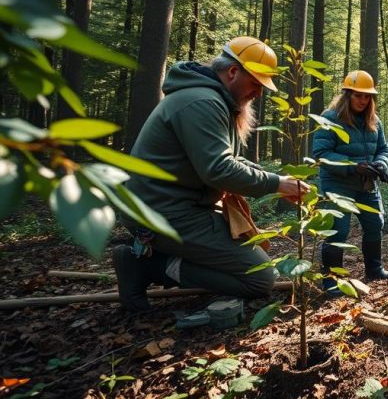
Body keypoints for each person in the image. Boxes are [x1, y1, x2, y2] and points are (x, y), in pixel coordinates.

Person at [113, 36, 309, 312]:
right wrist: (277, 184)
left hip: (177, 208)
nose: (259, 93)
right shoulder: (202, 102)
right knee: (260, 279)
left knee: (254, 262)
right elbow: (218, 169)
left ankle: (159, 257)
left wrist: (273, 178)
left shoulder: (211, 99)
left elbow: (224, 158)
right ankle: (149, 265)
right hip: (161, 213)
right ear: (233, 72)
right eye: (256, 83)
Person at [311, 70, 388, 291]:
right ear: (347, 94)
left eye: (367, 96)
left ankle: (374, 269)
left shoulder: (374, 121)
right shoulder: (330, 119)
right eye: (358, 95)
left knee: (375, 224)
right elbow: (321, 154)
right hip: (338, 184)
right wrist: (353, 166)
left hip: (367, 184)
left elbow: (383, 150)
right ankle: (331, 282)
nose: (363, 100)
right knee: (337, 231)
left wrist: (381, 165)